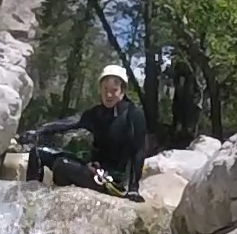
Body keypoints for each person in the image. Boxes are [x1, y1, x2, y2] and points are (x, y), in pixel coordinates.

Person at [21, 65, 148, 201]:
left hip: (111, 180)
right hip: (92, 169)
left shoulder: (134, 114)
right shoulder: (96, 113)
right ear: (100, 89)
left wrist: (133, 188)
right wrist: (38, 132)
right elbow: (67, 123)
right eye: (105, 89)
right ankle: (29, 202)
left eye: (114, 90)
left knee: (62, 165)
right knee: (38, 153)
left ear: (123, 91)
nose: (109, 95)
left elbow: (138, 152)